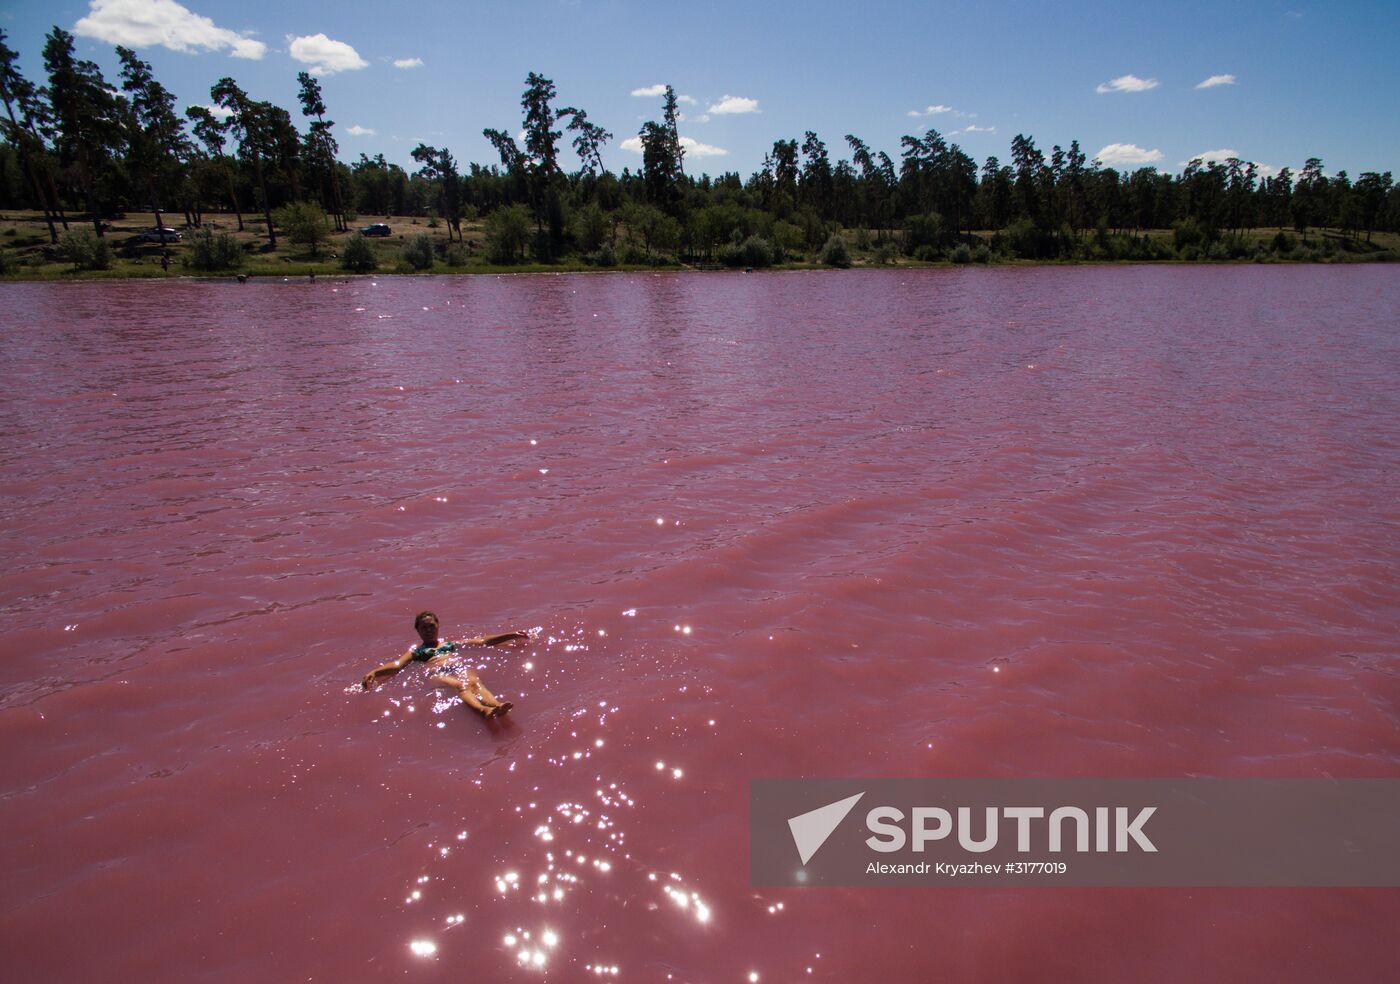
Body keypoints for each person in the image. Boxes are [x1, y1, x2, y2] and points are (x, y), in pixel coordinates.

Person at [361, 610, 529, 719]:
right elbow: (397, 665)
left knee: (475, 683)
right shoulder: (416, 652)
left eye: (432, 626)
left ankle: (497, 705)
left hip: (457, 667)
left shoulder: (449, 644)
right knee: (460, 685)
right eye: (424, 628)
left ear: (438, 626)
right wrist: (375, 672)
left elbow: (482, 641)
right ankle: (483, 711)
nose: (428, 630)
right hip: (436, 674)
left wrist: (511, 635)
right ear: (418, 631)